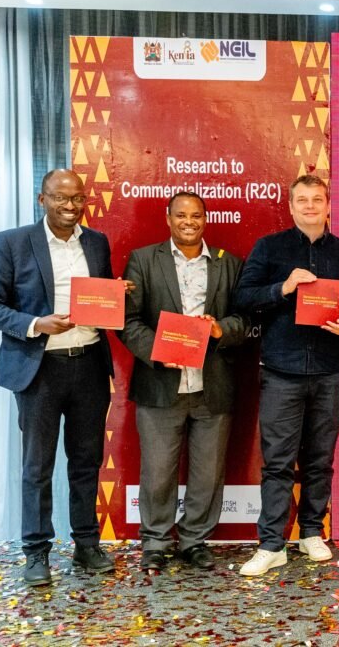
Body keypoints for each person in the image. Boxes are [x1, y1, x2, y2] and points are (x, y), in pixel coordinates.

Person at [0, 169, 130, 585]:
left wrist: (116, 296)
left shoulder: (96, 242)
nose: (70, 205)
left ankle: (86, 544)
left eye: (77, 198)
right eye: (60, 198)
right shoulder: (12, 242)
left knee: (86, 461)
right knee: (37, 465)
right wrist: (35, 324)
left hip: (89, 367)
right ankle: (36, 552)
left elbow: (100, 299)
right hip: (39, 369)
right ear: (41, 199)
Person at [233, 175, 339, 576]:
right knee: (277, 461)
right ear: (290, 207)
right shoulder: (269, 247)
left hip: (330, 370)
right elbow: (243, 297)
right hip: (282, 371)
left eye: (317, 199)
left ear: (328, 206)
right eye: (302, 200)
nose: (310, 206)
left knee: (320, 459)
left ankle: (311, 531)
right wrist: (284, 287)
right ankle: (271, 544)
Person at [120, 191, 249, 571]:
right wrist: (159, 351)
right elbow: (127, 320)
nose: (188, 222)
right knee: (158, 472)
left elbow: (246, 319)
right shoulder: (144, 260)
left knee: (208, 473)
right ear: (168, 218)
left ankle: (194, 540)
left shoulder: (230, 264)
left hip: (213, 385)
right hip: (160, 384)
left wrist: (220, 329)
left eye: (195, 215)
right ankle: (156, 542)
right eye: (181, 215)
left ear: (205, 219)